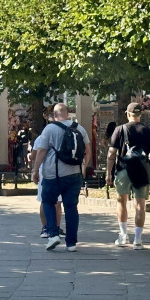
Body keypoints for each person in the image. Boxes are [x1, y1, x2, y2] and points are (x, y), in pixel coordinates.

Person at [31, 103, 90, 252]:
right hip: (74, 174)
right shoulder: (79, 128)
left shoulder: (50, 129)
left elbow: (42, 151)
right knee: (71, 207)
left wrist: (35, 170)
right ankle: (71, 243)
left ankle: (53, 234)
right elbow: (88, 151)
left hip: (53, 174)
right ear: (68, 114)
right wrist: (83, 167)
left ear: (55, 116)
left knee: (48, 201)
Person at [106, 103, 150, 249]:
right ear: (140, 114)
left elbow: (111, 154)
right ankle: (138, 239)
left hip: (123, 169)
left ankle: (123, 236)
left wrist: (108, 173)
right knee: (140, 205)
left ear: (127, 114)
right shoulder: (147, 131)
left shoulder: (119, 129)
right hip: (141, 171)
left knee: (121, 202)